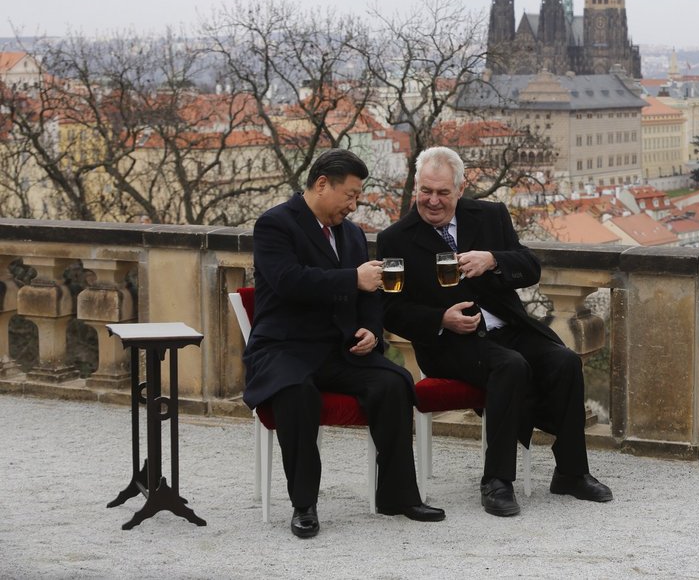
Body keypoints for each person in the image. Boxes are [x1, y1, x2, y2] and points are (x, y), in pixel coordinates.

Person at [377, 146, 612, 517]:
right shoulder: (396, 238)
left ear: (459, 188)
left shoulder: (490, 216)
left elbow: (530, 267)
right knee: (510, 366)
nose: (432, 201)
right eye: (425, 191)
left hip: (506, 327)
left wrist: (493, 260)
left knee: (564, 360)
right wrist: (441, 318)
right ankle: (497, 481)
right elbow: (390, 310)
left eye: (442, 192)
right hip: (449, 343)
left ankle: (571, 472)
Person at [243, 149, 444, 538]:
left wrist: (370, 328)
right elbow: (289, 281)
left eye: (357, 197)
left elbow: (370, 296)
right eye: (350, 195)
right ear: (322, 185)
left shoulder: (350, 233)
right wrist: (352, 278)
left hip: (339, 350)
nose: (354, 205)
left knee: (393, 382)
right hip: (284, 348)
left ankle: (397, 496)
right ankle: (304, 505)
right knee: (296, 393)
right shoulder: (275, 225)